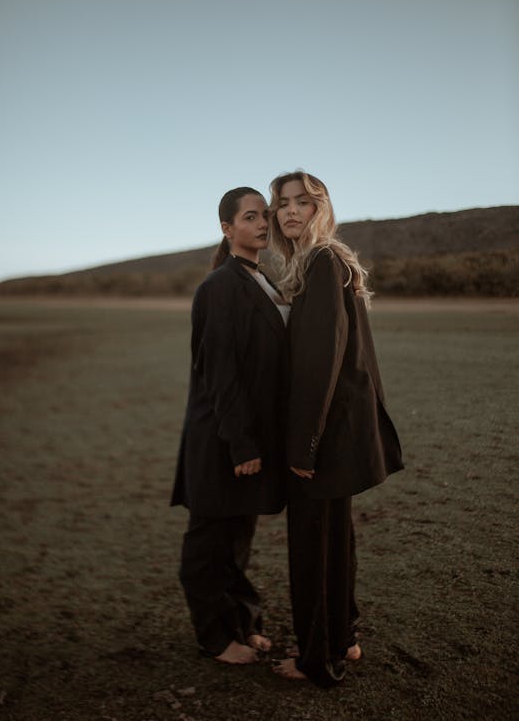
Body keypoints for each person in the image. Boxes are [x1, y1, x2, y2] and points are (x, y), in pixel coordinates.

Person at [268, 171, 403, 687]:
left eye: (303, 201)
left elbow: (321, 364)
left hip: (323, 439)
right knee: (335, 541)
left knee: (313, 546)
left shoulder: (323, 262)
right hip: (340, 434)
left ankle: (316, 659)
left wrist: (304, 445)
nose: (290, 211)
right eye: (283, 203)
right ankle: (343, 639)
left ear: (321, 207)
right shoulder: (326, 262)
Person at [171, 187, 289, 665]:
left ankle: (244, 624)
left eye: (265, 215)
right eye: (249, 217)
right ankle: (215, 639)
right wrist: (241, 444)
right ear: (227, 228)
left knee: (238, 541)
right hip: (221, 439)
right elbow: (220, 373)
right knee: (208, 545)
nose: (262, 223)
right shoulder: (219, 286)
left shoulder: (262, 279)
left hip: (251, 437)